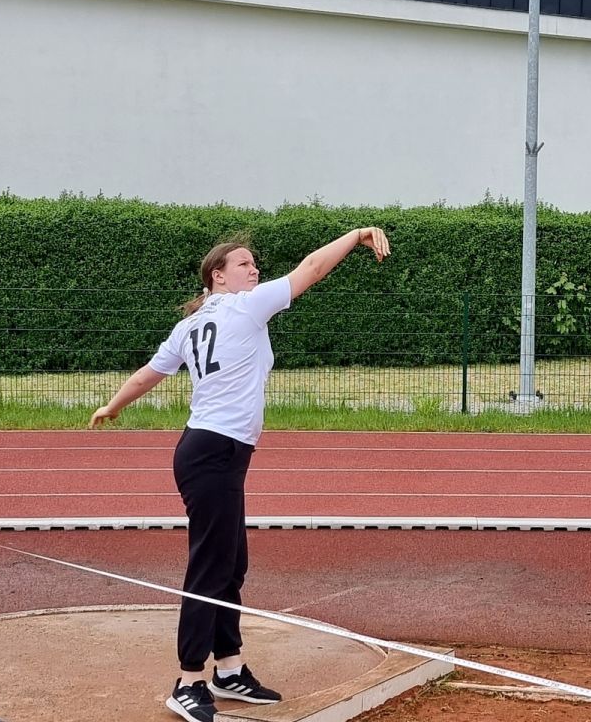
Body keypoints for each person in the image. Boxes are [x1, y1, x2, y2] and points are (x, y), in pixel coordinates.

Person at [90, 227, 390, 722]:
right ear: (219, 276)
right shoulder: (245, 307)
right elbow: (312, 268)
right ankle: (188, 680)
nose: (255, 270)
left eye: (254, 263)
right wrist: (355, 235)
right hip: (211, 453)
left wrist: (113, 405)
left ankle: (228, 669)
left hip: (214, 453)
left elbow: (148, 374)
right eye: (244, 264)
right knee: (210, 567)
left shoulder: (191, 325)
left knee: (231, 564)